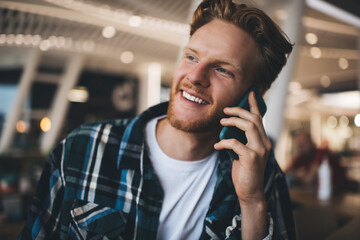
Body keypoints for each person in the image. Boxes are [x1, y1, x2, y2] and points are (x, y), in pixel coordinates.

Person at [19, 0, 296, 239]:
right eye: (191, 57)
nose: (195, 76)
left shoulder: (262, 174)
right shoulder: (84, 147)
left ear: (254, 95)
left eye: (222, 69)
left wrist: (252, 203)